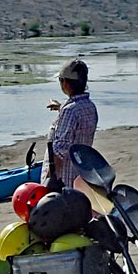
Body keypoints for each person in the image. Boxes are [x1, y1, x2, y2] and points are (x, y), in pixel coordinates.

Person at [44, 59, 98, 190]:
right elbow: (76, 124)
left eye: (61, 80)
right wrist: (60, 108)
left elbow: (60, 151)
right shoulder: (89, 106)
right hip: (81, 174)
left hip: (64, 179)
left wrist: (48, 181)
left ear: (66, 83)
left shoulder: (70, 111)